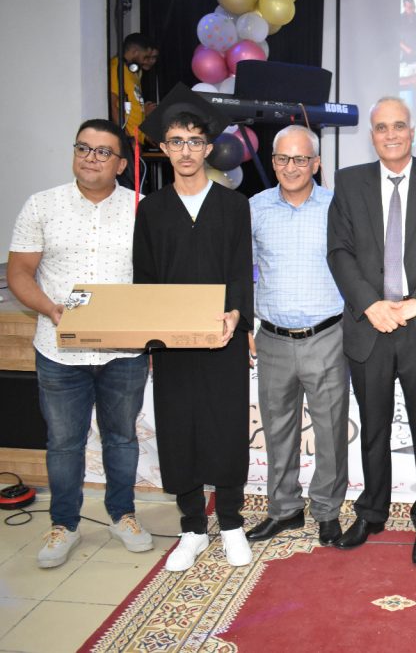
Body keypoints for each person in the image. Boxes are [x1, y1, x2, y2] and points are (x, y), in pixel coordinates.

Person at [7, 119, 152, 568]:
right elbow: (19, 273)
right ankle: (64, 524)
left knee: (121, 439)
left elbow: (157, 278)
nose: (91, 158)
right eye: (83, 148)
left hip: (123, 353)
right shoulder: (42, 205)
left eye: (103, 151)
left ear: (121, 164)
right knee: (64, 443)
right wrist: (50, 309)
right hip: (59, 349)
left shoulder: (143, 209)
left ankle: (123, 516)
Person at [328, 97, 416, 566]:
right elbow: (339, 252)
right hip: (372, 324)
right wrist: (370, 305)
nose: (391, 135)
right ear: (372, 135)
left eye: (398, 126)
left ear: (412, 130)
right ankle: (372, 513)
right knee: (373, 428)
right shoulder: (349, 182)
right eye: (381, 127)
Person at [134, 84, 254, 571]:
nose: (186, 151)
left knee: (226, 427)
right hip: (171, 343)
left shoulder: (233, 205)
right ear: (164, 147)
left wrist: (237, 314)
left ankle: (231, 522)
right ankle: (191, 528)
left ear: (209, 148)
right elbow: (144, 278)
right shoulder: (152, 210)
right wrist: (149, 337)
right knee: (178, 428)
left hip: (223, 338)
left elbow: (241, 271)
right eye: (176, 141)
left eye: (195, 141)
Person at [245, 125, 349, 547]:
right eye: (283, 159)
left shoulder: (337, 207)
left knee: (330, 431)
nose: (292, 167)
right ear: (273, 163)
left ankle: (326, 510)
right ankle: (284, 509)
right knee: (277, 430)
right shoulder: (254, 208)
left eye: (301, 159)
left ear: (316, 163)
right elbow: (240, 270)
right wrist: (244, 323)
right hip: (271, 338)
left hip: (327, 336)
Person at [109, 33, 157, 143]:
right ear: (135, 52)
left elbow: (135, 110)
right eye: (145, 57)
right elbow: (113, 105)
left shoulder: (133, 73)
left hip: (136, 140)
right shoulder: (117, 68)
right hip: (128, 140)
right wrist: (126, 138)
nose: (145, 61)